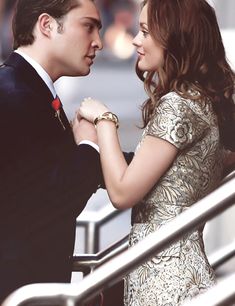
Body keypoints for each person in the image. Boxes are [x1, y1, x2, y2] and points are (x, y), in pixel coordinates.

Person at [77, 0, 235, 305]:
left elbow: (122, 192)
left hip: (166, 280)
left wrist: (104, 120)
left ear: (176, 38)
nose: (136, 40)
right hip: (174, 272)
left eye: (146, 32)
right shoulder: (203, 103)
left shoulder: (178, 105)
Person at [0, 0, 105, 303]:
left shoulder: (26, 88)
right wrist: (88, 145)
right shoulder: (12, 95)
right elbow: (53, 200)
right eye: (88, 26)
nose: (98, 41)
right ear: (47, 25)